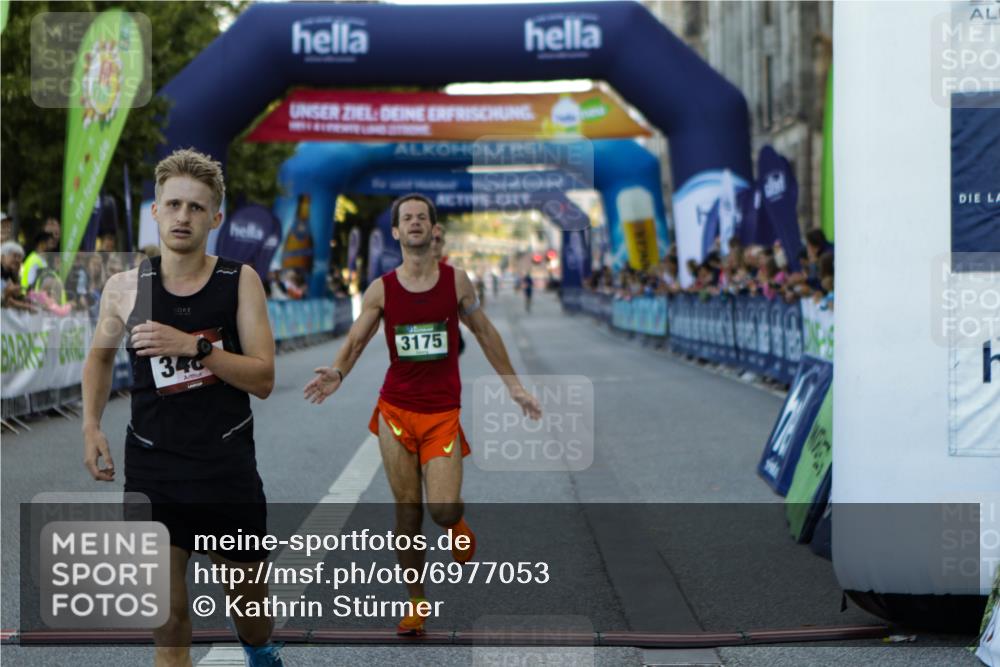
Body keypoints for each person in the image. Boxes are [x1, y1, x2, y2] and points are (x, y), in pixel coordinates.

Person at [303, 193, 542, 636]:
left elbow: (485, 332)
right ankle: (416, 602)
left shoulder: (456, 283)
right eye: (405, 218)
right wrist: (337, 371)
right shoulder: (382, 288)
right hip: (395, 411)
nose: (414, 223)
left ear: (434, 230)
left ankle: (457, 522)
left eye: (421, 217)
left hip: (441, 414)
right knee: (408, 512)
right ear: (395, 232)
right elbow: (356, 340)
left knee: (443, 509)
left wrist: (514, 386)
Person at [81, 149, 284, 667]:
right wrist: (90, 426)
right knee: (167, 617)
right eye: (173, 204)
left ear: (215, 217)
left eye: (196, 208)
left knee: (249, 609)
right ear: (155, 210)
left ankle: (261, 655)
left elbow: (263, 377)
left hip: (224, 467)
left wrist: (194, 347)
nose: (183, 217)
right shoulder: (127, 289)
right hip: (153, 469)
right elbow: (99, 360)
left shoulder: (239, 281)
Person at [1, 241, 34, 311]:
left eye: (20, 258)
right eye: (14, 256)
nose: (18, 260)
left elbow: (16, 296)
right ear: (3, 257)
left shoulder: (12, 275)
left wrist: (25, 299)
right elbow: (5, 300)